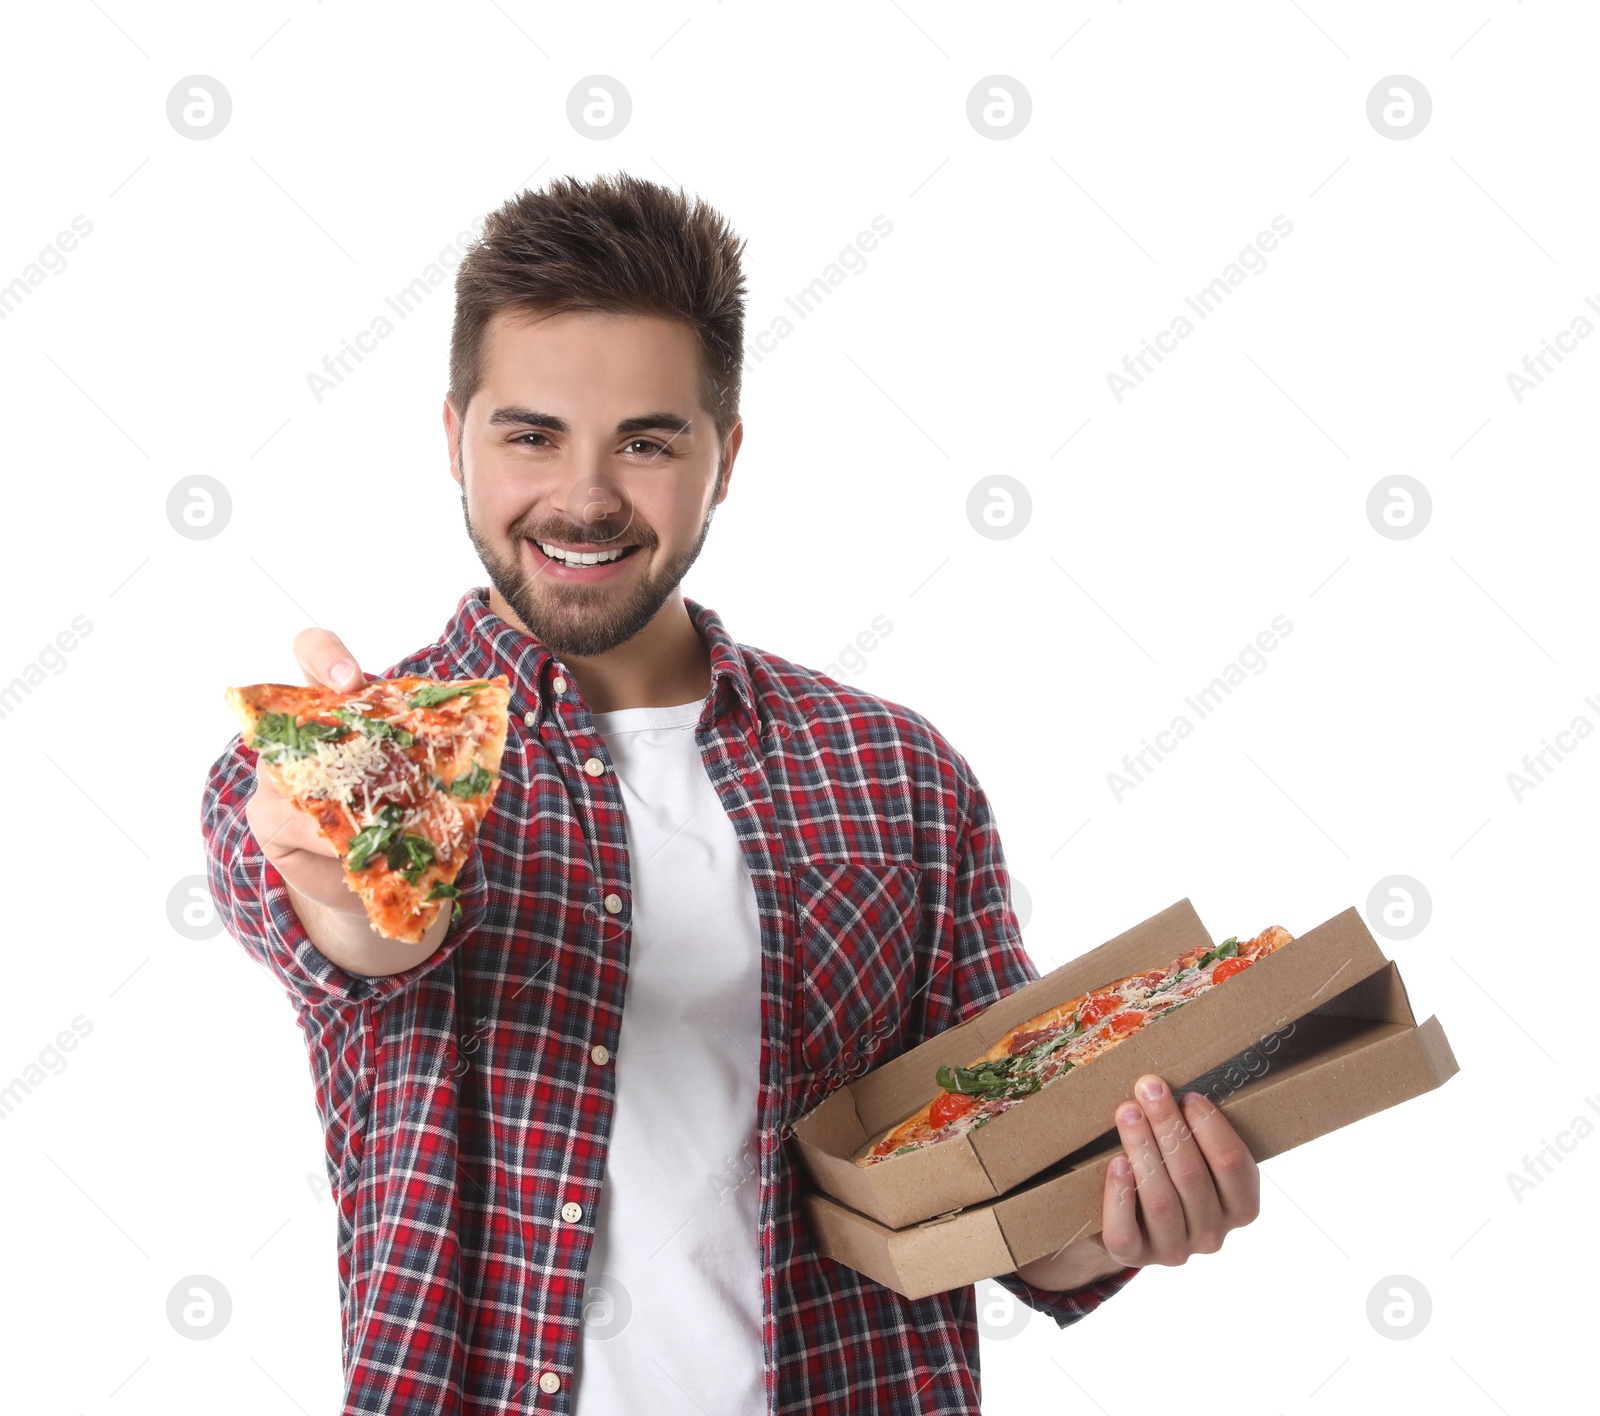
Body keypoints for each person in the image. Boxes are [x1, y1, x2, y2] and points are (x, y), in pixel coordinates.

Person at [201, 171, 1261, 1416]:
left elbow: (999, 1191)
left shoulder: (897, 775)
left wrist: (1124, 1215)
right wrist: (371, 870)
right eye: (529, 434)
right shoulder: (311, 773)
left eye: (647, 441)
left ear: (727, 457)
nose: (585, 496)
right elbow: (370, 936)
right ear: (453, 439)